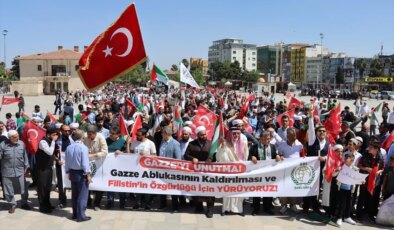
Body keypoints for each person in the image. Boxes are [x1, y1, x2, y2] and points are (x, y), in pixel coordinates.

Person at [216, 128, 248, 216]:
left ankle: (238, 210)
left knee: (239, 191)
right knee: (227, 191)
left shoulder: (244, 143)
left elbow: (246, 158)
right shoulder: (225, 144)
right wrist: (222, 149)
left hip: (240, 172)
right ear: (230, 134)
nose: (236, 135)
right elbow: (219, 158)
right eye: (234, 134)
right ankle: (225, 209)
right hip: (228, 172)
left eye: (238, 133)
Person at [184, 126, 215, 218]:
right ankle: (199, 206)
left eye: (205, 134)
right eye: (202, 135)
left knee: (209, 190)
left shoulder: (211, 144)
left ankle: (210, 209)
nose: (204, 136)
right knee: (197, 189)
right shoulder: (191, 144)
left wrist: (210, 158)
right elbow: (186, 155)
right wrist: (192, 158)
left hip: (208, 172)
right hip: (196, 171)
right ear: (197, 135)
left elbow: (215, 154)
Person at [249, 131, 281, 215]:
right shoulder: (254, 147)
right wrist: (252, 157)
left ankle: (267, 208)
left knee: (268, 190)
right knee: (257, 191)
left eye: (268, 139)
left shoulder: (273, 147)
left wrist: (277, 156)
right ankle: (256, 209)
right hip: (258, 172)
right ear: (260, 139)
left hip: (269, 172)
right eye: (264, 139)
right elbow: (249, 157)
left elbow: (275, 156)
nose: (267, 141)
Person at [0, 130, 31, 214]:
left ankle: (24, 203)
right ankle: (12, 205)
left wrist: (27, 168)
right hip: (7, 171)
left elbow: (25, 156)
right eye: (15, 137)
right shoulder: (3, 145)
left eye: (18, 136)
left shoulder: (21, 144)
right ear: (10, 138)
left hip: (20, 171)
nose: (17, 138)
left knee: (23, 188)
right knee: (8, 190)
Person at [65, 129, 92, 222]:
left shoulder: (69, 147)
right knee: (82, 195)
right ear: (82, 137)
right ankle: (81, 216)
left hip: (72, 172)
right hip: (81, 173)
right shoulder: (83, 148)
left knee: (75, 194)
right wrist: (88, 174)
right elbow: (85, 163)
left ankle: (75, 214)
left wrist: (68, 171)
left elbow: (67, 161)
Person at [356, 138, 385, 221]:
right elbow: (359, 166)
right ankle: (359, 214)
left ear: (376, 149)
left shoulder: (380, 156)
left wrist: (378, 172)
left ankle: (370, 214)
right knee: (361, 197)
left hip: (374, 180)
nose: (369, 149)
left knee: (372, 198)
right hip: (364, 179)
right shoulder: (365, 154)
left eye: (371, 148)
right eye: (369, 147)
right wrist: (366, 168)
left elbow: (382, 168)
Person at [277, 128, 303, 214]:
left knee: (293, 188)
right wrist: (280, 157)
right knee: (284, 188)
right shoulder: (282, 145)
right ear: (287, 136)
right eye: (292, 136)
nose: (294, 137)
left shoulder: (299, 145)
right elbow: (279, 155)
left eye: (295, 135)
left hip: (295, 171)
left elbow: (303, 154)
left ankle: (293, 204)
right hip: (285, 170)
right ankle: (284, 205)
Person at [83, 124, 108, 211]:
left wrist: (93, 155)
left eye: (90, 134)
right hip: (88, 164)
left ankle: (97, 203)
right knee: (87, 183)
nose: (88, 136)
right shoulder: (85, 137)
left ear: (95, 133)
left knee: (98, 185)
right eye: (88, 134)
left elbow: (105, 152)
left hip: (98, 164)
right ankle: (88, 202)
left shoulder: (101, 138)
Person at [157, 126, 182, 212]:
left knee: (173, 189)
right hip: (161, 170)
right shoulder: (162, 141)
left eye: (162, 133)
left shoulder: (175, 143)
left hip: (171, 170)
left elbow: (178, 158)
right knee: (162, 187)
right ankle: (162, 204)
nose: (161, 134)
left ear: (167, 134)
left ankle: (175, 206)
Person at [35, 127, 58, 213]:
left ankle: (47, 204)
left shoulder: (51, 141)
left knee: (48, 187)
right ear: (48, 135)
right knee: (42, 188)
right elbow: (49, 152)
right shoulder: (43, 142)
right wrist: (53, 141)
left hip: (48, 168)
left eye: (56, 135)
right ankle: (42, 207)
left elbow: (52, 155)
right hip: (42, 169)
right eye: (54, 135)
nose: (55, 136)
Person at [106, 126, 127, 209]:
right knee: (109, 184)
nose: (111, 135)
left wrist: (122, 152)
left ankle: (122, 203)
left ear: (118, 134)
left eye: (113, 134)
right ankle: (110, 202)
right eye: (110, 133)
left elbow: (127, 152)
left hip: (120, 168)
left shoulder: (123, 141)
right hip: (109, 166)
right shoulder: (106, 140)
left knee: (121, 185)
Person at [55, 124, 74, 208]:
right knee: (61, 183)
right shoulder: (57, 141)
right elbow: (52, 153)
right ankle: (62, 200)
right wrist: (57, 160)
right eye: (65, 131)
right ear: (61, 131)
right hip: (61, 165)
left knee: (72, 182)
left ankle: (74, 199)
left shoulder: (73, 139)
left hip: (72, 165)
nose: (67, 132)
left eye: (68, 130)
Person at [335, 154, 358, 226]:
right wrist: (337, 170)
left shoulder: (355, 169)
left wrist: (362, 181)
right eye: (346, 160)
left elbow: (357, 178)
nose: (347, 162)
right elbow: (333, 175)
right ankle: (339, 217)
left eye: (350, 160)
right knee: (342, 203)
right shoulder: (341, 167)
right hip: (342, 188)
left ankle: (347, 217)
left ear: (352, 161)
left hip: (350, 189)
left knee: (349, 203)